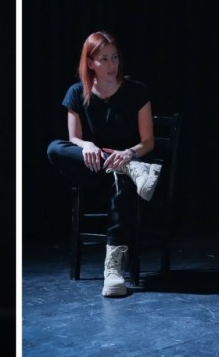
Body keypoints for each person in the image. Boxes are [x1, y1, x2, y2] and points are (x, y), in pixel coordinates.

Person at [47, 30, 162, 297]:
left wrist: (129, 154)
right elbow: (73, 138)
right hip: (92, 168)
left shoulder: (136, 91)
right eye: (104, 59)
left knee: (122, 183)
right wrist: (86, 145)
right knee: (55, 148)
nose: (112, 65)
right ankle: (127, 168)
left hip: (126, 164)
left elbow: (148, 142)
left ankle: (113, 268)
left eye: (115, 57)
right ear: (90, 63)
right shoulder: (77, 92)